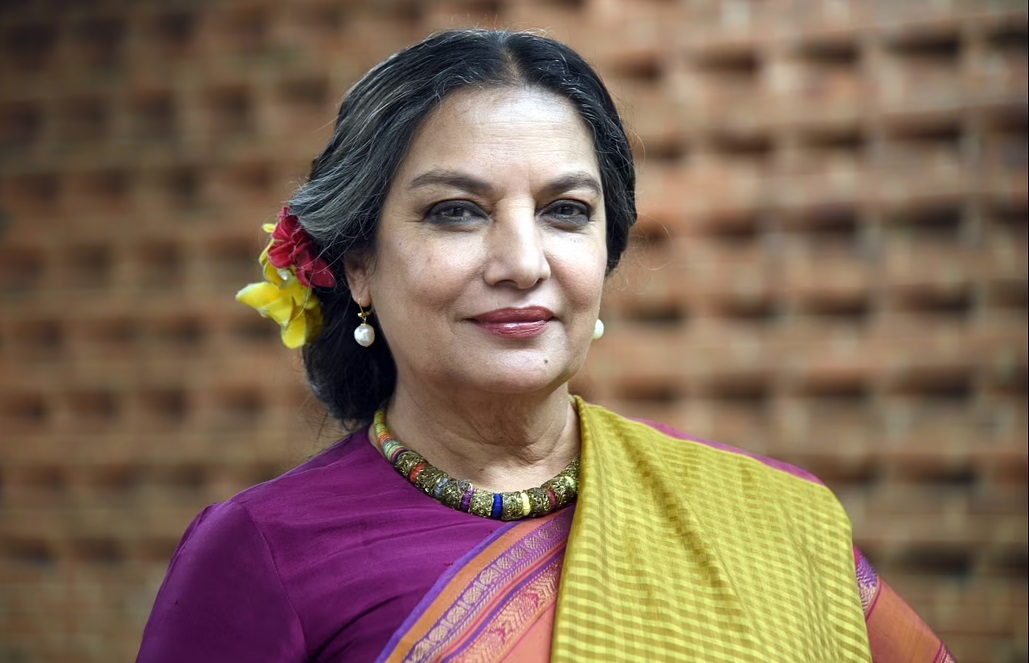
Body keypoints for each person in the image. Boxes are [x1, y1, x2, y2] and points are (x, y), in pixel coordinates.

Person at [136, 29, 954, 662]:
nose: (523, 263)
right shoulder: (264, 550)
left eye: (566, 210)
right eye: (455, 211)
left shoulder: (775, 521)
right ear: (358, 265)